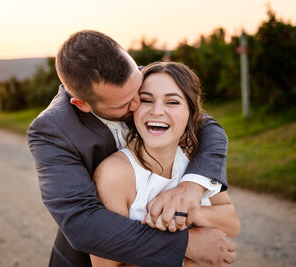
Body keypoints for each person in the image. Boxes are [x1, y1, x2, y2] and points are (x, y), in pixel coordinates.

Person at [28, 30, 236, 267]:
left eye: (137, 90)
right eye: (125, 103)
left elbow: (207, 126)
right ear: (82, 104)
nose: (138, 104)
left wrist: (193, 186)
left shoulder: (143, 77)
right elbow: (84, 224)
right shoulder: (51, 131)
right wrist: (187, 245)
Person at [90, 62, 241, 267]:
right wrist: (187, 257)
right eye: (146, 100)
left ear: (191, 112)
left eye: (172, 102)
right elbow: (104, 265)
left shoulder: (193, 158)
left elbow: (232, 224)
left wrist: (187, 210)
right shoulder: (115, 174)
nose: (158, 111)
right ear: (133, 107)